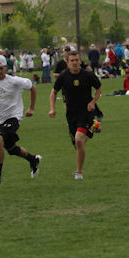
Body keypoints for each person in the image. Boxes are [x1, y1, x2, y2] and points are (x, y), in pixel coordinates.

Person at [0, 54, 41, 185]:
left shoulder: (15, 81)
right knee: (11, 149)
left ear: (6, 67)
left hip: (13, 117)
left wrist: (31, 108)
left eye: (1, 68)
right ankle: (33, 160)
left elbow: (33, 88)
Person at [49, 50, 103, 180]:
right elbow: (53, 92)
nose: (74, 63)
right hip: (71, 114)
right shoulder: (63, 76)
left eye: (76, 60)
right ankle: (93, 128)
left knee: (79, 140)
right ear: (67, 62)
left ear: (80, 61)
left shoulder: (87, 75)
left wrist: (93, 102)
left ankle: (78, 172)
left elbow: (99, 88)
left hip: (86, 112)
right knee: (77, 145)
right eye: (72, 61)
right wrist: (52, 109)